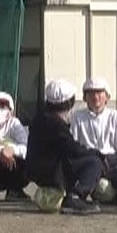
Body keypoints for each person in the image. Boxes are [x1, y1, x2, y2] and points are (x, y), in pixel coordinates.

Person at [26, 79, 103, 215]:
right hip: (52, 173)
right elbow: (72, 149)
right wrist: (95, 153)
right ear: (69, 102)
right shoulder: (56, 123)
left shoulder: (38, 119)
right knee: (94, 162)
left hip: (37, 171)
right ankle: (75, 197)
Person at [70, 76, 117, 205]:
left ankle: (115, 197)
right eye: (91, 93)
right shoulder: (77, 117)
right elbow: (73, 146)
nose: (95, 97)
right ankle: (76, 198)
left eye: (99, 93)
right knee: (78, 193)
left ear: (107, 97)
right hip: (90, 161)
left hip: (111, 162)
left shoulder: (115, 116)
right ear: (85, 97)